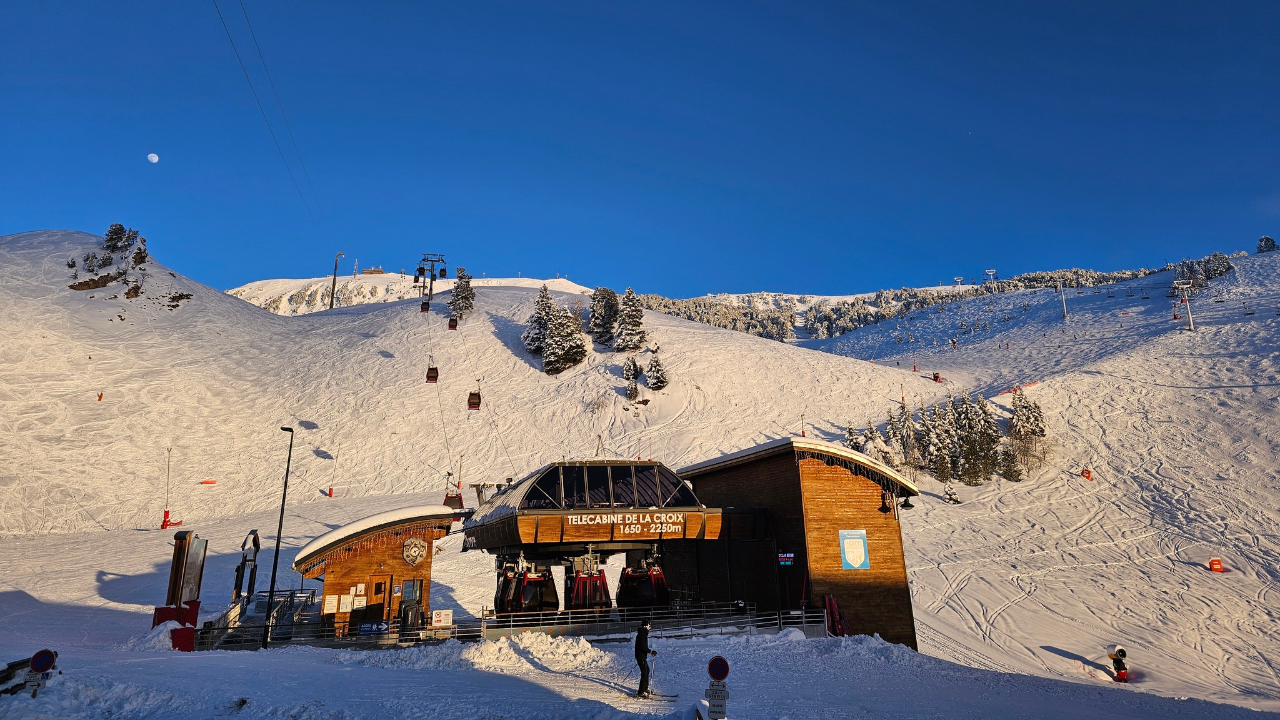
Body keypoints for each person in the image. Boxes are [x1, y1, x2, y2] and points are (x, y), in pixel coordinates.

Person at [634, 619, 657, 697]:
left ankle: (645, 688)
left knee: (646, 670)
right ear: (645, 626)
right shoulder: (641, 635)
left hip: (642, 656)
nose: (650, 628)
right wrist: (650, 651)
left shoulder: (643, 634)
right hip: (640, 656)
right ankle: (640, 692)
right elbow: (642, 647)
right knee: (644, 672)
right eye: (649, 626)